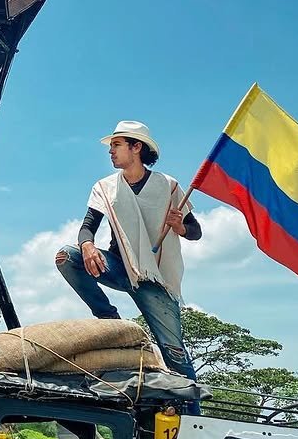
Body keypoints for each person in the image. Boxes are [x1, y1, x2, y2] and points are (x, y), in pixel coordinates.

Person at [55, 120, 201, 386]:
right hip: (119, 267)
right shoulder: (105, 187)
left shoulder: (167, 186)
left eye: (116, 145)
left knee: (175, 355)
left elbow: (195, 231)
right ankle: (110, 320)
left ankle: (193, 416)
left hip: (155, 279)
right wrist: (87, 245)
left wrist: (179, 226)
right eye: (111, 146)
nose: (110, 151)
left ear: (136, 147)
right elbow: (88, 227)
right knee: (67, 256)